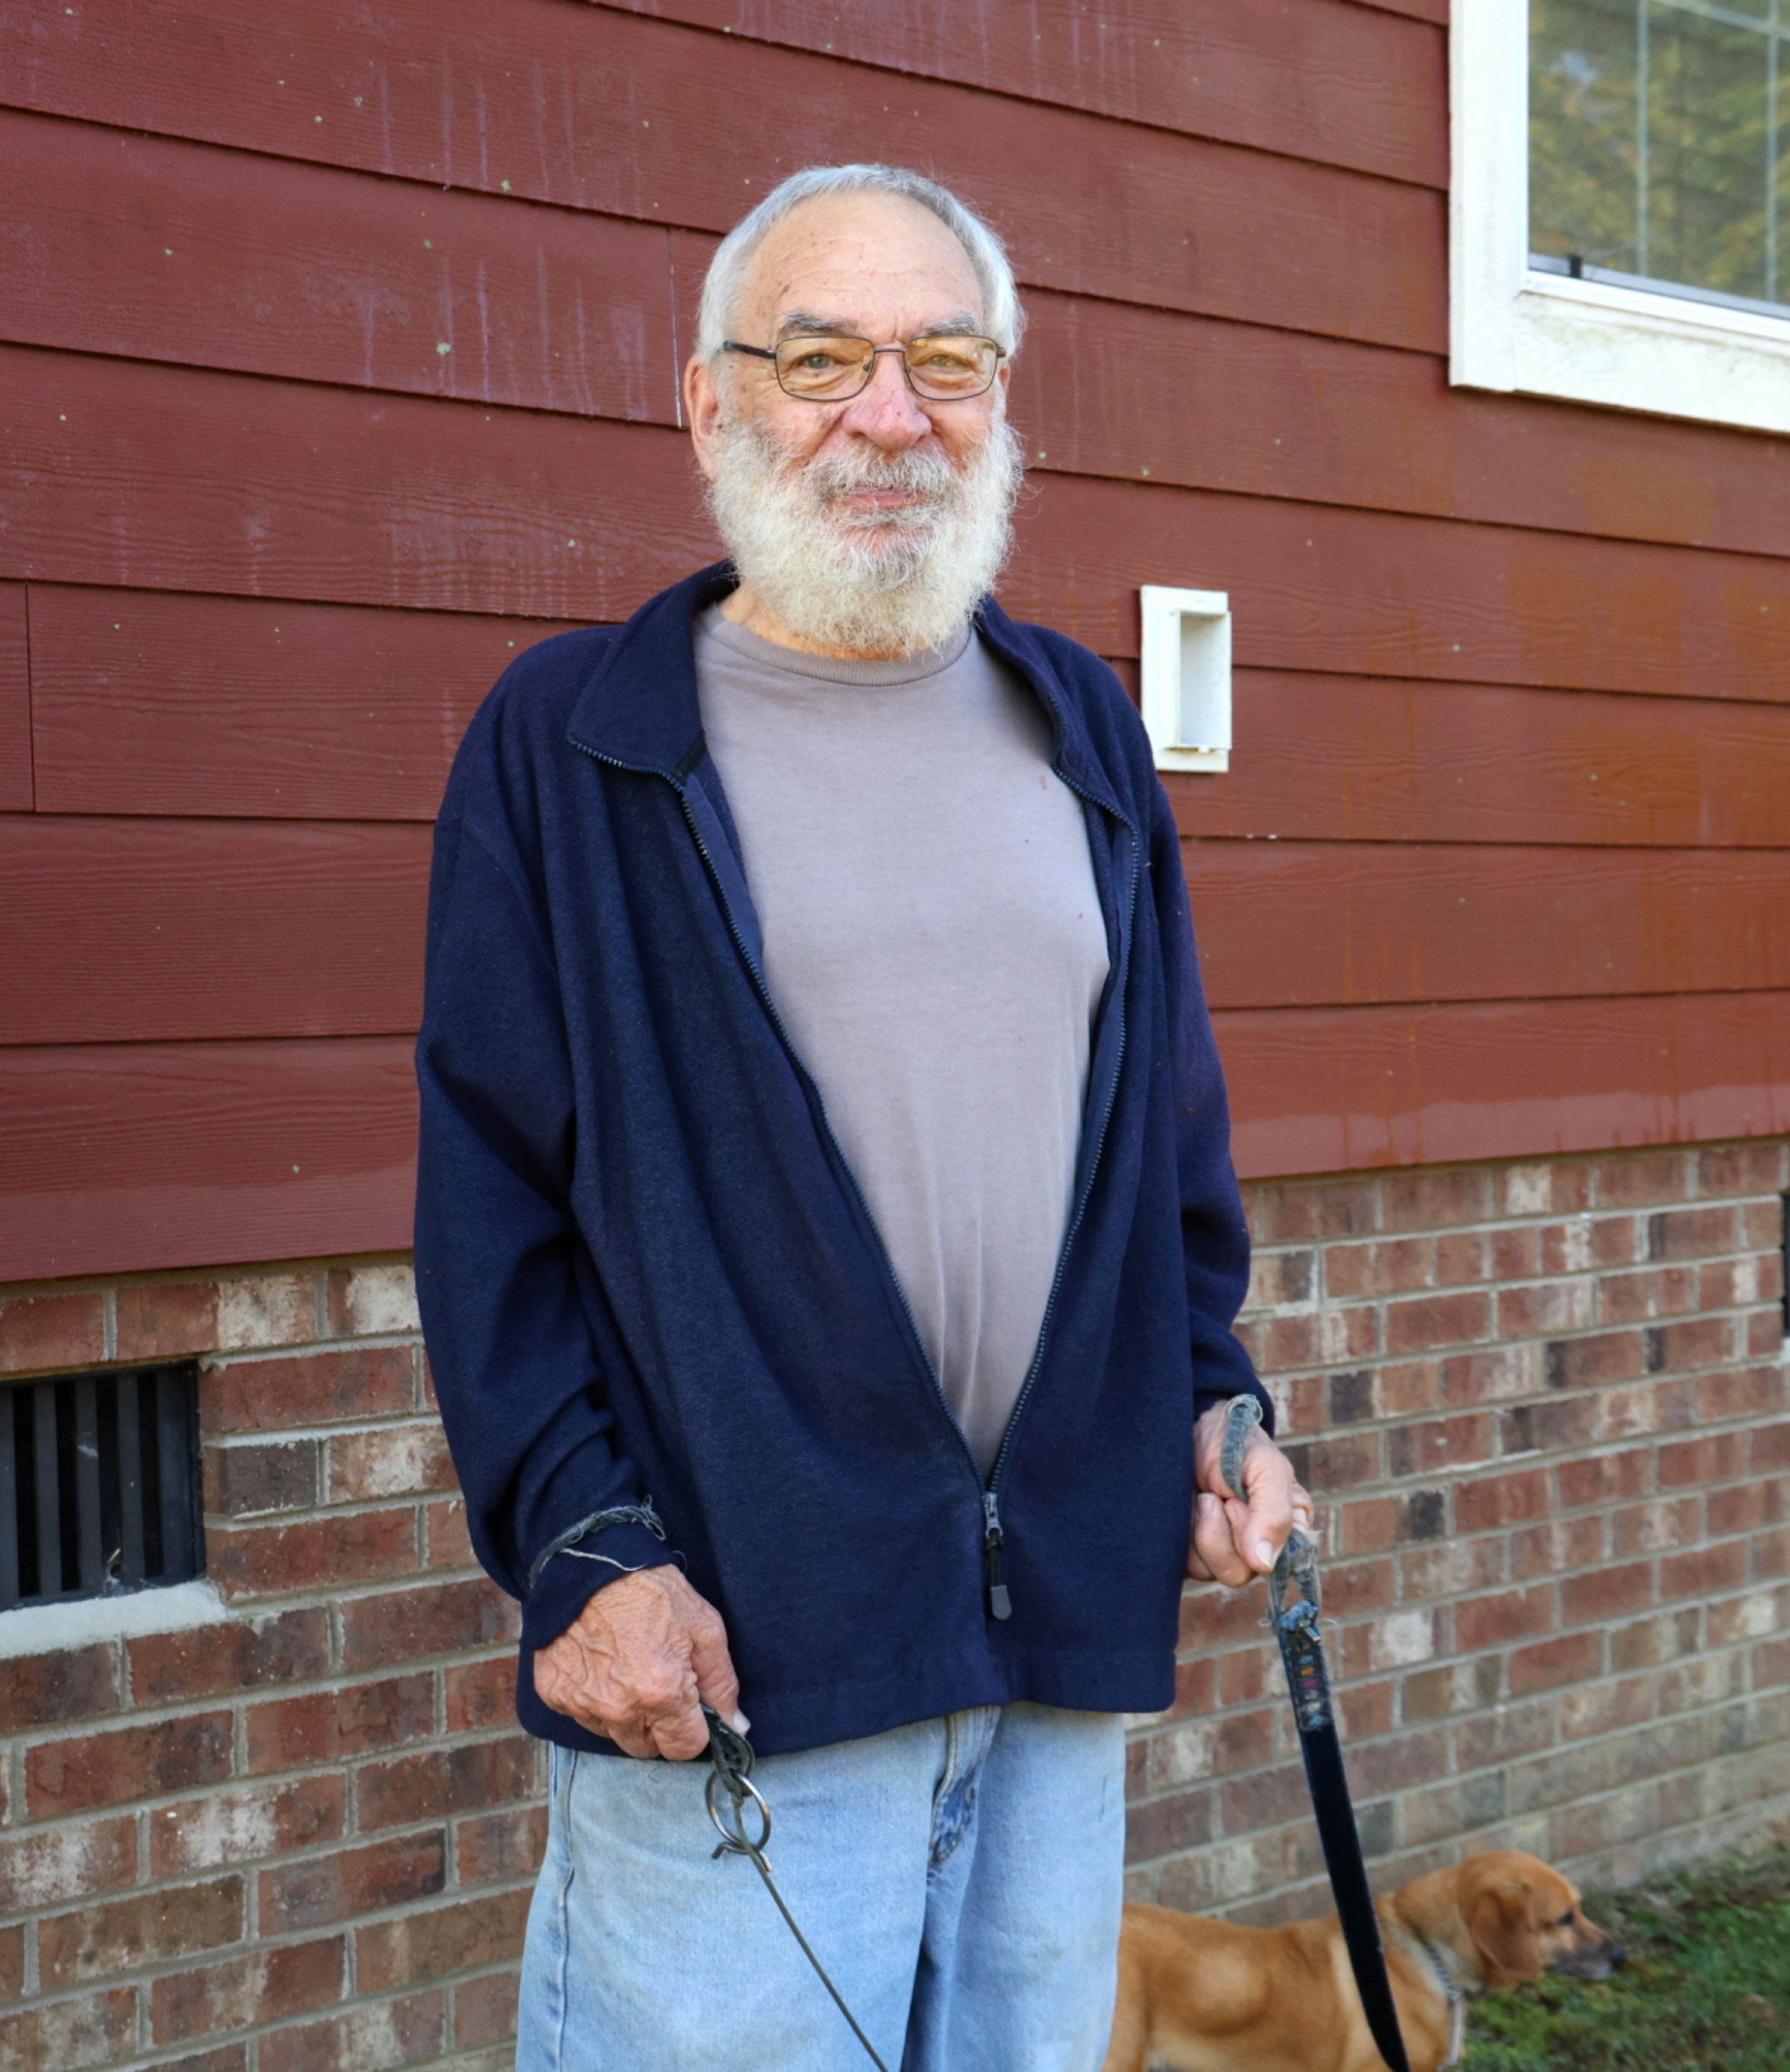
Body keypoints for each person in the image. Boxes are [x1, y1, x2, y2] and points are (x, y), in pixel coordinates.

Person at [415, 162, 1311, 2070]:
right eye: (819, 356)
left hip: (1052, 1645)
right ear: (708, 400)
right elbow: (491, 1193)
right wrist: (581, 1553)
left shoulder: (1076, 719)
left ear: (1001, 399)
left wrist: (1210, 1397)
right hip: (737, 1655)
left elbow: (1158, 1146)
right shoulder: (574, 739)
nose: (886, 414)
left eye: (943, 361)